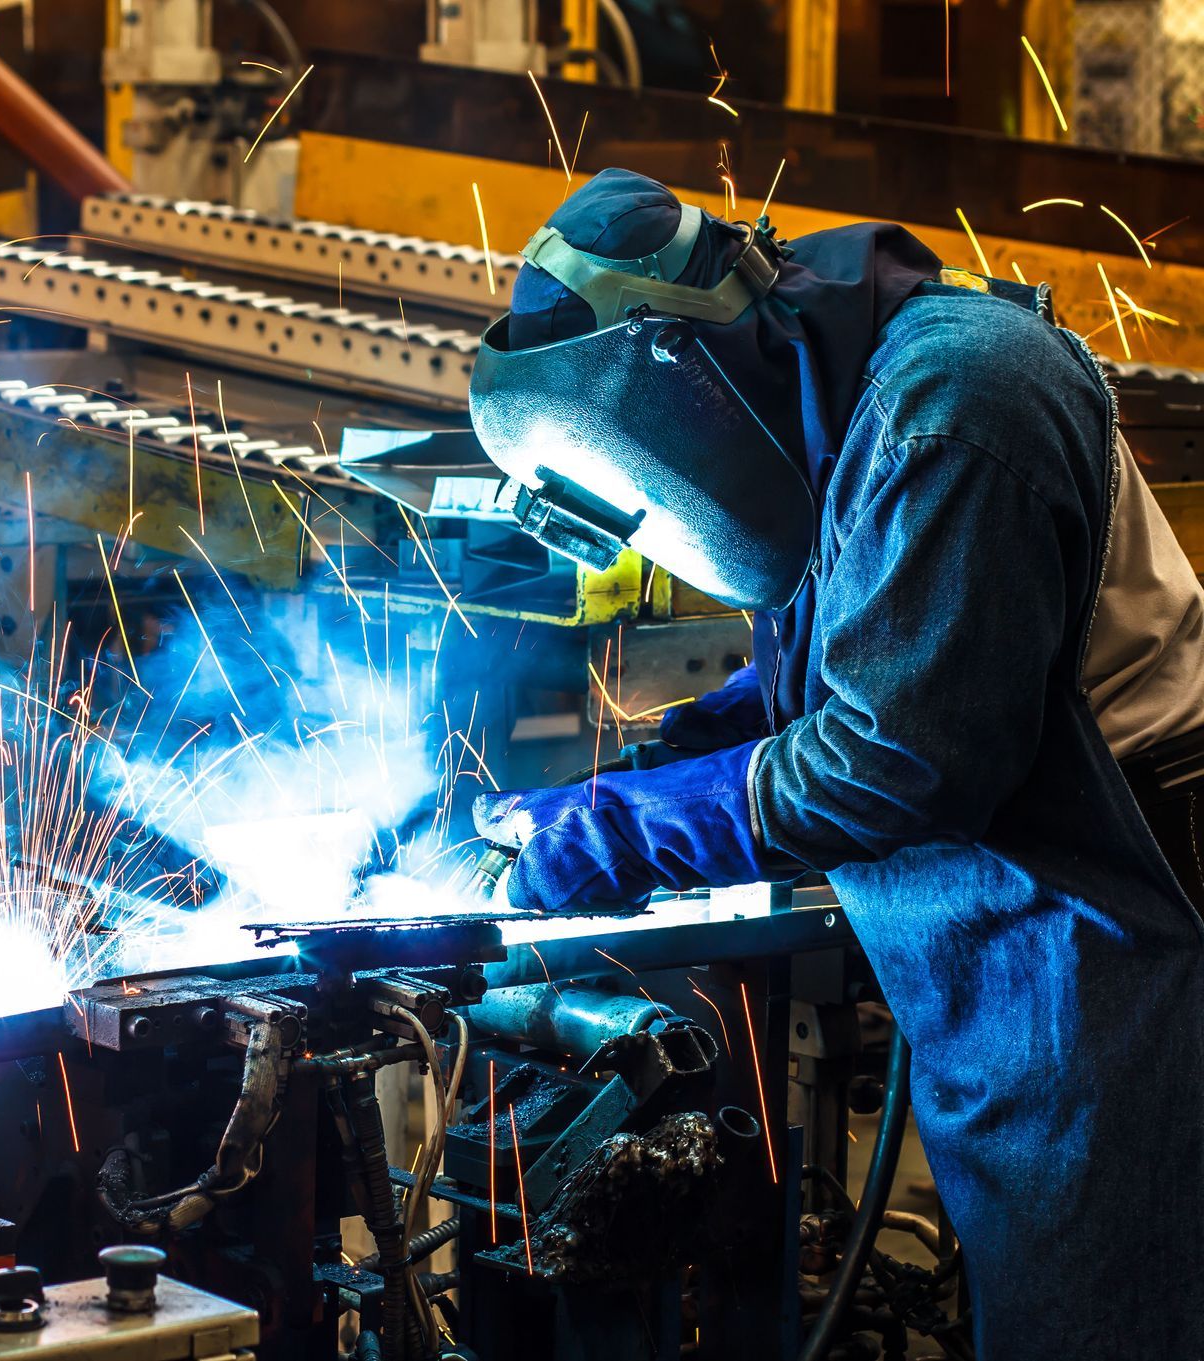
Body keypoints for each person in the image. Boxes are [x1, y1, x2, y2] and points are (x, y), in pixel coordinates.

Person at [470, 168, 1204, 1356]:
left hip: (1128, 947)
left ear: (679, 379)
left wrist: (627, 825)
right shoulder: (827, 388)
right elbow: (891, 632)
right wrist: (695, 740)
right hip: (1031, 960)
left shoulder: (954, 401)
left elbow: (896, 751)